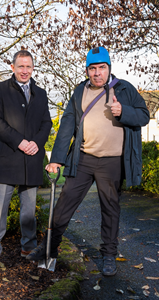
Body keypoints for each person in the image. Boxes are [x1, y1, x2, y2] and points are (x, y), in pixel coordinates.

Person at [26, 47, 150, 276]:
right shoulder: (79, 91)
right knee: (64, 204)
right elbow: (66, 127)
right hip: (83, 159)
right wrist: (58, 161)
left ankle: (109, 256)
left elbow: (144, 115)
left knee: (110, 209)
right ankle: (49, 248)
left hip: (112, 162)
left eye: (102, 68)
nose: (97, 73)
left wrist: (124, 111)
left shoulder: (124, 88)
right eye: (92, 68)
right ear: (87, 70)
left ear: (109, 68)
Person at [0, 50, 52, 273]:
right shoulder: (1, 89)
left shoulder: (41, 93)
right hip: (7, 159)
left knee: (29, 211)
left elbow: (46, 123)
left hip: (31, 159)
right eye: (20, 66)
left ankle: (28, 248)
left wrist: (36, 144)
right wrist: (20, 142)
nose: (24, 70)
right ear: (13, 67)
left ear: (32, 68)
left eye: (28, 66)